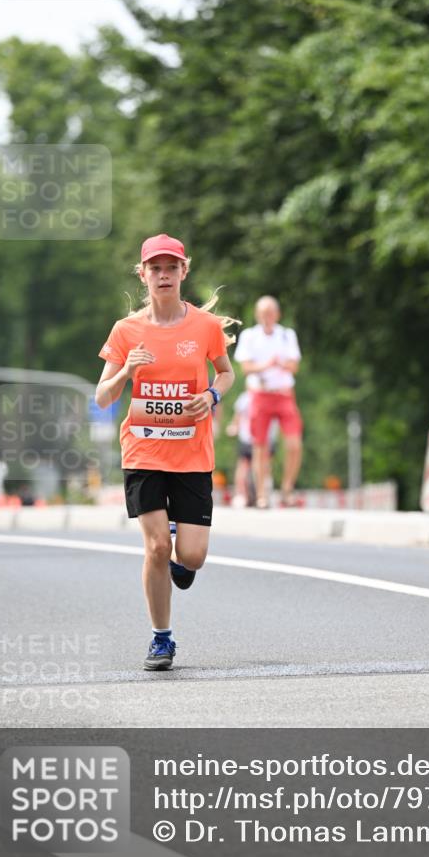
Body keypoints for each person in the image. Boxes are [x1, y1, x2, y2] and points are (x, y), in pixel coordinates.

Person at [95, 234, 235, 671]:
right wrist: (126, 371)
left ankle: (183, 556)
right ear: (143, 275)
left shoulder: (205, 328)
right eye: (155, 268)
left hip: (192, 454)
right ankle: (161, 639)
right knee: (157, 547)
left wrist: (211, 395)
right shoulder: (127, 331)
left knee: (190, 557)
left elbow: (227, 374)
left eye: (171, 268)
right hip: (143, 451)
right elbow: (102, 396)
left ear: (183, 273)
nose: (163, 275)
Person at [233, 295, 302, 508]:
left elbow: (293, 366)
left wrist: (276, 364)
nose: (267, 317)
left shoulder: (286, 335)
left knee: (294, 444)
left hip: (283, 394)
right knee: (260, 446)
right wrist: (268, 365)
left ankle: (287, 488)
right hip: (260, 394)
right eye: (263, 313)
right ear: (257, 315)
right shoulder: (249, 336)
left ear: (277, 315)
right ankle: (262, 493)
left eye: (270, 313)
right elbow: (246, 368)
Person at [225, 389, 279, 507]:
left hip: (267, 438)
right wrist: (234, 426)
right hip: (248, 437)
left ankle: (264, 493)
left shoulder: (274, 395)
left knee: (266, 465)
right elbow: (238, 416)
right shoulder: (246, 397)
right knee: (244, 465)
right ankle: (241, 494)